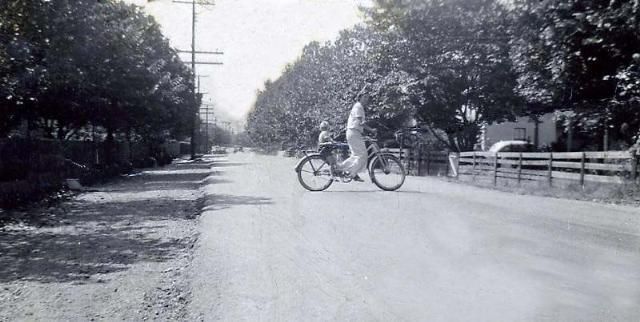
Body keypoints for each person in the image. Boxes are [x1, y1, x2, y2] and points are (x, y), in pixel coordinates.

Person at [339, 88, 375, 182]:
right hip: (353, 132)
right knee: (363, 155)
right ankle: (352, 173)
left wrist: (364, 132)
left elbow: (359, 123)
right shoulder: (358, 107)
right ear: (360, 97)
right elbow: (360, 122)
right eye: (365, 97)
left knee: (355, 156)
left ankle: (340, 169)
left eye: (368, 97)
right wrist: (371, 130)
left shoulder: (359, 107)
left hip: (354, 132)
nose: (366, 99)